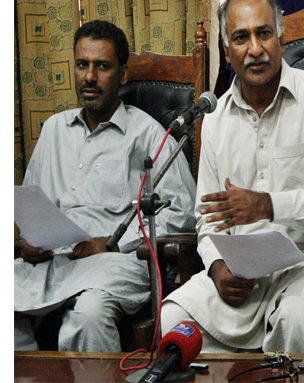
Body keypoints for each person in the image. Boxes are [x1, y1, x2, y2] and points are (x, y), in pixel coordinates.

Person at [161, 0, 304, 355]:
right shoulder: (216, 118)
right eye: (241, 38)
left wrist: (269, 205)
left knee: (295, 316)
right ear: (227, 52)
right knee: (174, 318)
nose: (254, 49)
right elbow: (208, 219)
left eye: (264, 34)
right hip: (246, 278)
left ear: (281, 39)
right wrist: (218, 267)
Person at [14, 20, 196, 352]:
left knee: (88, 315)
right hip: (52, 264)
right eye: (82, 65)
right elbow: (31, 206)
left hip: (116, 264)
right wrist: (29, 242)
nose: (89, 77)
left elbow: (183, 215)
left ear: (122, 74)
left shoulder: (149, 136)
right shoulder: (54, 129)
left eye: (102, 67)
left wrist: (111, 243)